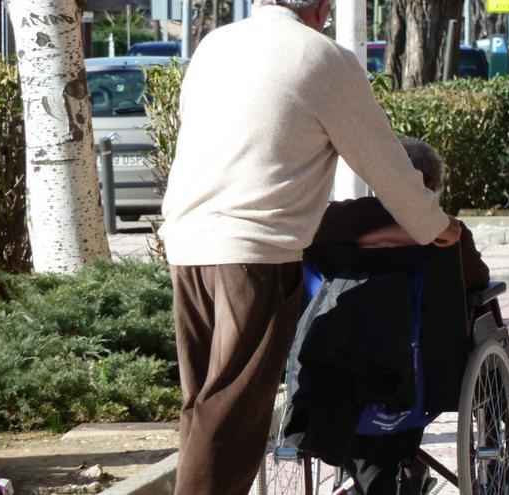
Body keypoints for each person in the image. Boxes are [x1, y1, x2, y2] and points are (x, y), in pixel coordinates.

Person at [158, 1, 462, 493]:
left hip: (188, 242)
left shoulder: (214, 46)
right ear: (322, 8)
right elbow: (384, 162)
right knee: (231, 413)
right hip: (253, 249)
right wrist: (434, 224)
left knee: (203, 404)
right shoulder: (322, 58)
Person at [313, 137, 489, 495]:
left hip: (333, 357)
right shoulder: (445, 231)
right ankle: (408, 465)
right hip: (418, 368)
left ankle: (386, 471)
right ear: (433, 188)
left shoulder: (335, 222)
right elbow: (478, 281)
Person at [314, 137, 490, 293]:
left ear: (379, 178)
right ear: (434, 184)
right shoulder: (449, 231)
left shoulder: (334, 219)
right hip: (426, 327)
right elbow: (479, 279)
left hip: (341, 324)